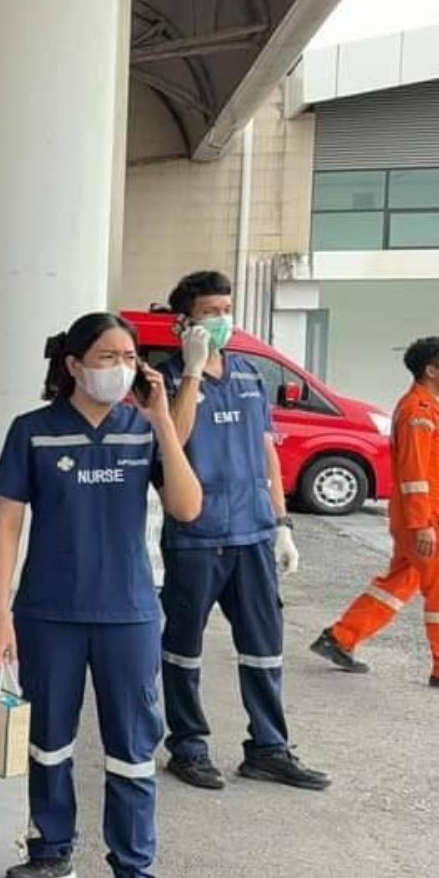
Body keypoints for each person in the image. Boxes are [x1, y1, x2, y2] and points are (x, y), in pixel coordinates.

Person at [0, 312, 202, 878]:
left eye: (130, 357)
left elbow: (187, 506)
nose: (121, 368)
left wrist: (163, 418)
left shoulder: (143, 430)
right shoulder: (33, 431)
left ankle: (134, 875)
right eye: (107, 356)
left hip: (128, 613)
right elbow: (7, 526)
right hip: (47, 612)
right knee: (48, 740)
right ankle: (52, 850)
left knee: (132, 751)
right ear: (74, 365)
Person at [155, 270, 329, 792]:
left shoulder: (251, 374)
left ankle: (269, 747)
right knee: (183, 648)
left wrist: (281, 523)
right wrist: (189, 373)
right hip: (196, 536)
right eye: (210, 312)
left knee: (264, 645)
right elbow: (174, 439)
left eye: (226, 309)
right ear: (184, 322)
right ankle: (187, 746)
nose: (222, 320)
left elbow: (266, 451)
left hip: (253, 532)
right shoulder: (164, 380)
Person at [311, 335, 439, 685]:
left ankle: (341, 637)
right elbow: (415, 474)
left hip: (420, 518)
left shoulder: (427, 408)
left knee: (400, 582)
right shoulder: (419, 412)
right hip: (425, 519)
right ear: (431, 370)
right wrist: (423, 525)